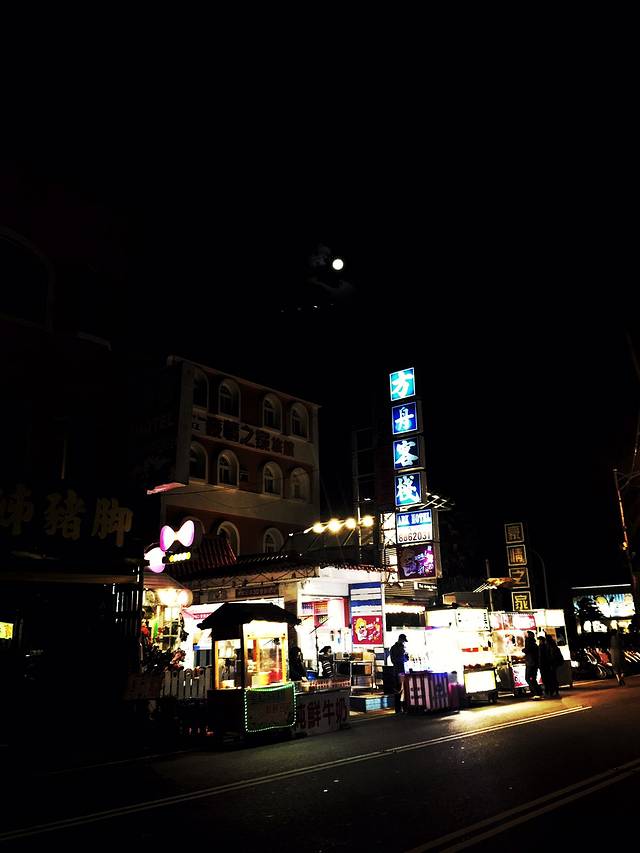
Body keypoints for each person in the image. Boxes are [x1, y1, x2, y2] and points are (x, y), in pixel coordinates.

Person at [390, 634, 409, 713]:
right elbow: (394, 660)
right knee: (399, 689)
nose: (404, 643)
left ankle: (402, 708)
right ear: (400, 640)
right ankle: (399, 709)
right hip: (399, 672)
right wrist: (403, 657)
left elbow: (405, 659)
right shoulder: (394, 648)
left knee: (402, 689)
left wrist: (406, 657)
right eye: (403, 641)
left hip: (401, 672)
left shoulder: (402, 648)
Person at [524, 630, 542, 699]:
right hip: (534, 663)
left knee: (528, 678)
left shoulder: (529, 642)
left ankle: (535, 692)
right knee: (532, 678)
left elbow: (527, 650)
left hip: (531, 663)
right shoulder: (534, 644)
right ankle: (538, 691)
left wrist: (524, 650)